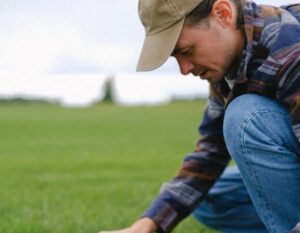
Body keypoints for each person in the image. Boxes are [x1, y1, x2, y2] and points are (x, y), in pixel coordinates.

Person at [100, 0, 300, 232]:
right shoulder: (227, 67)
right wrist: (146, 226)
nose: (184, 69)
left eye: (186, 51)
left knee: (245, 118)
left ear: (222, 14)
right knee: (211, 199)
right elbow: (211, 153)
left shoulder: (290, 52)